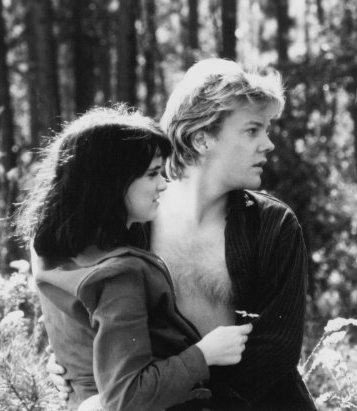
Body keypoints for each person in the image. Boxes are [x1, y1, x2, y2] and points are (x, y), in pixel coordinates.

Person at [49, 59, 317, 410]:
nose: (268, 144)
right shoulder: (133, 219)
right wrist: (76, 371)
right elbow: (94, 318)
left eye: (267, 129)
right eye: (253, 130)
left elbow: (275, 352)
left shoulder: (274, 225)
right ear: (202, 138)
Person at [15, 106, 253, 411]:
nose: (163, 184)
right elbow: (126, 397)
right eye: (152, 174)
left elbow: (84, 337)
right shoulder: (118, 275)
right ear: (112, 183)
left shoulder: (51, 252)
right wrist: (205, 354)